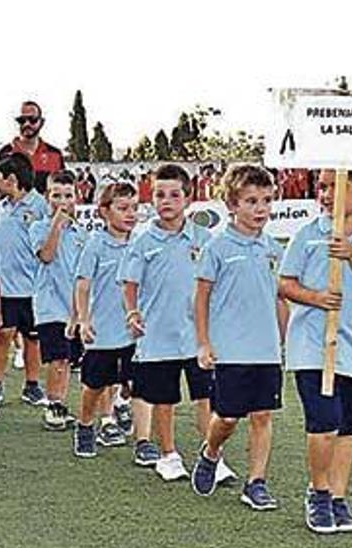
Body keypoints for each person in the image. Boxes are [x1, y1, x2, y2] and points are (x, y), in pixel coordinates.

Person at [279, 169, 352, 535]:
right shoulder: (308, 233)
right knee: (323, 422)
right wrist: (315, 298)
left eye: (334, 186)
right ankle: (318, 492)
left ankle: (339, 498)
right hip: (312, 345)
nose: (324, 194)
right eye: (322, 186)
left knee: (346, 426)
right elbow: (284, 283)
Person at [118, 164, 234, 483]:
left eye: (173, 195)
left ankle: (212, 455)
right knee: (163, 398)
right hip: (157, 335)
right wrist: (132, 312)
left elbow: (218, 283)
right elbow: (128, 283)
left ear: (188, 198)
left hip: (198, 335)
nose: (166, 201)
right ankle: (168, 454)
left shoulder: (204, 238)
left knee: (205, 398)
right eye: (159, 194)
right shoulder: (142, 241)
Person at [190, 165, 288, 511]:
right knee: (228, 417)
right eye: (251, 201)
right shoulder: (216, 248)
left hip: (266, 350)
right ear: (232, 204)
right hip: (229, 349)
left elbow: (279, 297)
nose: (260, 209)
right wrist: (203, 342)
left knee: (263, 416)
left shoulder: (274, 248)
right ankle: (211, 451)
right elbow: (201, 297)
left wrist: (282, 342)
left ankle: (256, 482)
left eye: (266, 200)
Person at [72, 182, 140, 458]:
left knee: (136, 381)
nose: (130, 214)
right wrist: (83, 320)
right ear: (104, 211)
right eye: (123, 208)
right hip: (103, 332)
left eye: (134, 208)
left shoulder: (141, 243)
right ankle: (86, 426)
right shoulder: (95, 245)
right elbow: (83, 285)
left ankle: (123, 406)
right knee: (95, 384)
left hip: (135, 331)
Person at [0, 152, 49, 407]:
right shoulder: (0, 209)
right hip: (4, 287)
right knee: (3, 333)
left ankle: (32, 385)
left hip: (33, 286)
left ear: (11, 179)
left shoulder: (40, 206)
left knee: (33, 338)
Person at [29, 172, 86, 430]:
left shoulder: (82, 233)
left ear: (77, 197)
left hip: (74, 307)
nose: (62, 201)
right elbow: (47, 256)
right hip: (50, 305)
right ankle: (53, 405)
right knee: (58, 358)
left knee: (70, 360)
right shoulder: (38, 227)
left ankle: (62, 403)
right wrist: (56, 225)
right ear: (47, 197)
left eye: (68, 195)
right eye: (56, 195)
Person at [0, 101, 65, 194]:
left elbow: (64, 187)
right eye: (22, 120)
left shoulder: (55, 154)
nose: (27, 124)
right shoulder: (4, 153)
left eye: (32, 119)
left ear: (42, 122)